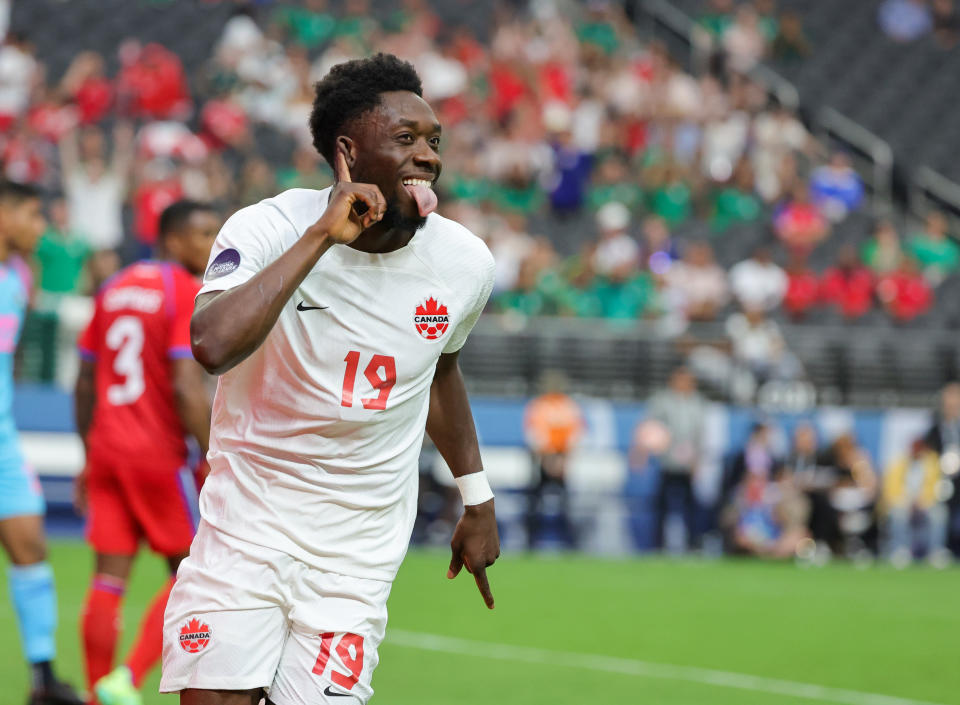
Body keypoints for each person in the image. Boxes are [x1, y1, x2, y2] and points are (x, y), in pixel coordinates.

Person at [159, 54, 499, 705]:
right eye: (405, 139)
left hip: (356, 554)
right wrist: (322, 235)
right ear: (347, 150)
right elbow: (212, 344)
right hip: (244, 530)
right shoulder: (269, 228)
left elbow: (439, 370)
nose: (427, 155)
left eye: (434, 142)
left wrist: (477, 499)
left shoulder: (463, 263)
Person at [74, 200, 218, 705]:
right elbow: (185, 385)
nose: (212, 244)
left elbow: (86, 379)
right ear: (173, 240)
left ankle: (96, 694)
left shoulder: (114, 287)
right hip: (158, 455)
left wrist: (87, 453)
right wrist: (212, 453)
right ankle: (126, 679)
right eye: (203, 234)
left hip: (107, 450)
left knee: (108, 580)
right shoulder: (183, 291)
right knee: (197, 571)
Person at [0, 181, 83, 705]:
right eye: (33, 215)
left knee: (30, 543)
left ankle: (43, 678)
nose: (42, 228)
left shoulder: (18, 278)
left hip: (4, 440)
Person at [647, 366, 706, 552]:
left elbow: (700, 434)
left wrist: (696, 459)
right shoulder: (662, 401)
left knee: (690, 508)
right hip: (667, 462)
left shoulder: (698, 403)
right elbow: (653, 428)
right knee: (662, 506)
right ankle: (658, 545)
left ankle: (691, 544)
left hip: (688, 463)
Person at [523, 371, 584, 549]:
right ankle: (530, 540)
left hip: (561, 460)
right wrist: (548, 458)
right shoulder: (539, 406)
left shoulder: (568, 407)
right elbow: (535, 435)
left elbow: (575, 435)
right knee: (534, 501)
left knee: (566, 503)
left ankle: (570, 541)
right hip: (543, 461)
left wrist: (562, 459)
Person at [882, 438, 951, 567]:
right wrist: (906, 501)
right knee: (898, 513)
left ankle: (936, 551)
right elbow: (891, 488)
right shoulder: (899, 463)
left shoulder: (932, 462)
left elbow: (936, 486)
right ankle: (900, 550)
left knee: (939, 513)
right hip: (904, 501)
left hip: (925, 502)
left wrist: (923, 500)